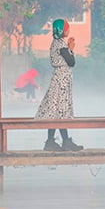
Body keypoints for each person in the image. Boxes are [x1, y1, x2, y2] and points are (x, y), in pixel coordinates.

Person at [34, 19, 83, 151]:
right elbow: (71, 62)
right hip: (61, 80)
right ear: (62, 30)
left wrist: (69, 48)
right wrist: (71, 49)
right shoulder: (60, 44)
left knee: (57, 111)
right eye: (67, 28)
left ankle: (56, 141)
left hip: (60, 79)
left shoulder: (57, 43)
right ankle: (62, 141)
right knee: (59, 111)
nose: (68, 30)